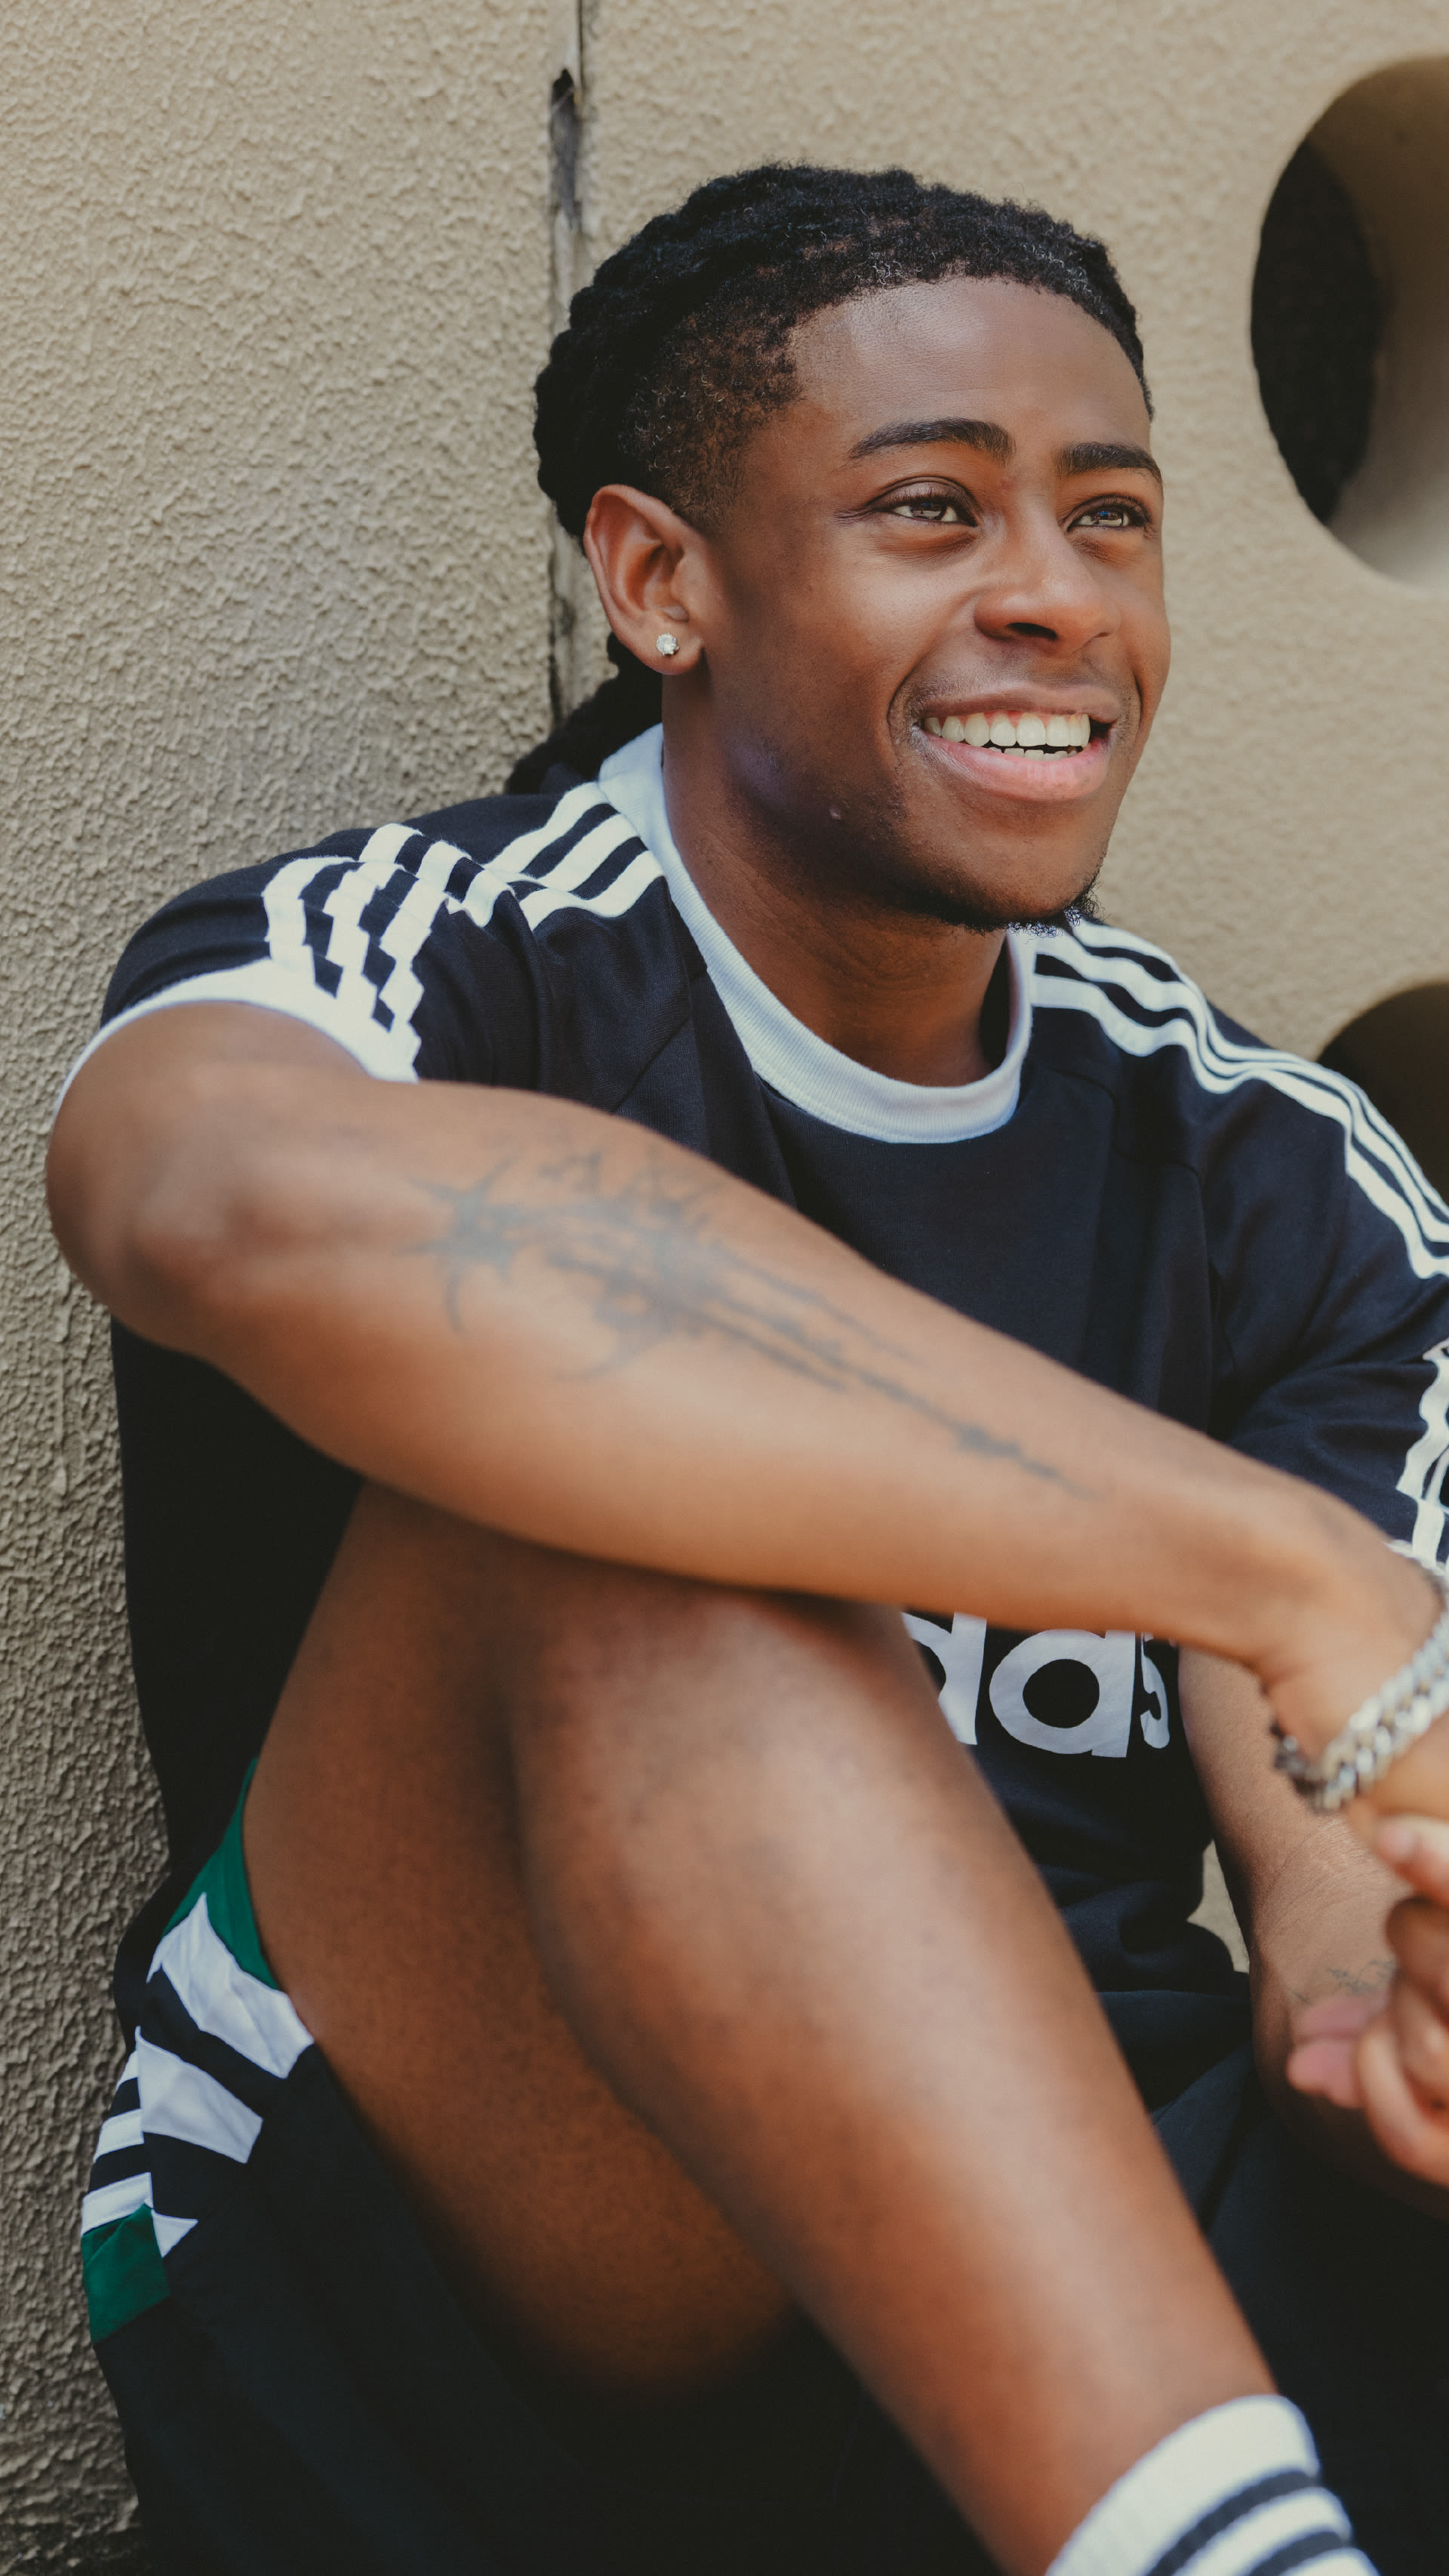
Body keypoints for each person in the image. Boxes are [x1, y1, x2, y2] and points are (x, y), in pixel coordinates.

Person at [47, 164, 1449, 2576]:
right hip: (485, 2272)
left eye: (1111, 519)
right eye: (933, 508)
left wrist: (1388, 2034)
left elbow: (1336, 1874)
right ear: (660, 578)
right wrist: (1270, 1565)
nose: (1055, 594)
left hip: (1117, 2257)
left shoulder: (1275, 1171)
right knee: (626, 1498)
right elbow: (191, 1198)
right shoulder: (432, 956)